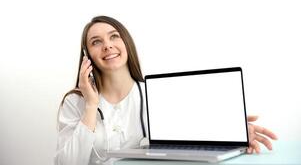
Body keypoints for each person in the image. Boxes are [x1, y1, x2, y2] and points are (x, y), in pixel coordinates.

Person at [54, 16, 278, 165]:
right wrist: (91, 106)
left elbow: (191, 133)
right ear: (87, 55)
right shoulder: (75, 102)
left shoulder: (155, 95)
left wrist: (231, 133)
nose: (107, 45)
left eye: (114, 36)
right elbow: (67, 163)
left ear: (126, 44)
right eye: (96, 42)